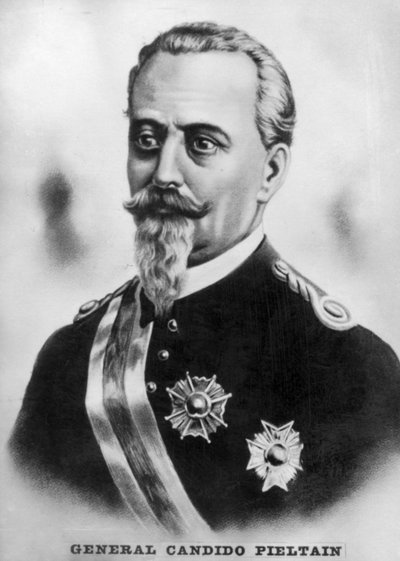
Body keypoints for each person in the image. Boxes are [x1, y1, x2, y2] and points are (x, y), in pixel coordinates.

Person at [9, 22, 400, 535]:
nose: (164, 174)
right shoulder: (69, 357)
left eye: (202, 143)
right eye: (147, 139)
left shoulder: (347, 367)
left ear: (270, 172)